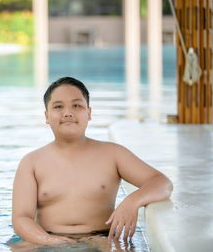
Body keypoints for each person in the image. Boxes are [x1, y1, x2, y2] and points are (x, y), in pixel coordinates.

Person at [11, 77, 173, 248]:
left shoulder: (112, 154)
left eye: (76, 105)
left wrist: (132, 201)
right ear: (47, 116)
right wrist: (50, 241)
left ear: (89, 113)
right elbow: (21, 218)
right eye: (58, 107)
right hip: (47, 240)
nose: (68, 113)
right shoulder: (31, 163)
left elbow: (162, 183)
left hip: (102, 240)